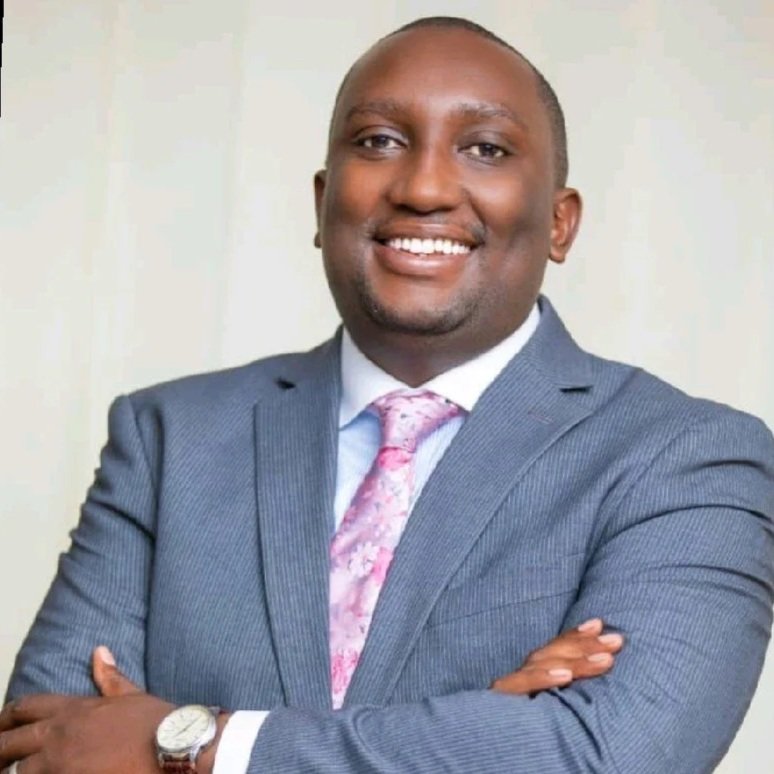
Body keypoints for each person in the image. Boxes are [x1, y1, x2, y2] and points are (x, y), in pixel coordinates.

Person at [2, 15, 773, 774]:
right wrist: (480, 727)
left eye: (485, 148)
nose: (425, 186)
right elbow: (42, 750)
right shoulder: (168, 437)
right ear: (321, 200)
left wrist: (192, 742)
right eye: (378, 142)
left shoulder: (688, 460)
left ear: (561, 224)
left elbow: (611, 756)